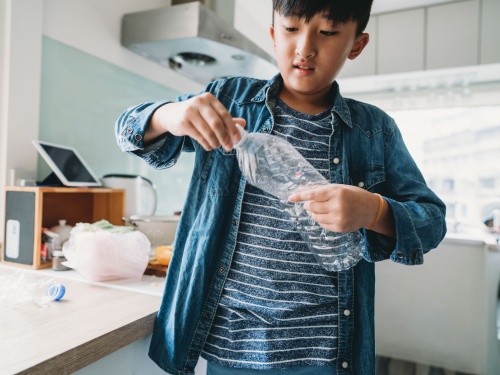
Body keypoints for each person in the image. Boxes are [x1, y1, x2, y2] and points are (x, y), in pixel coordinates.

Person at [115, 0, 447, 374]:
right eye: (291, 29)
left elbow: (431, 220)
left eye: (327, 32)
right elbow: (129, 130)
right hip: (231, 347)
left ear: (356, 44)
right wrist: (168, 115)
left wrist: (374, 211)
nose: (304, 48)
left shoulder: (374, 129)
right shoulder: (228, 99)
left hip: (326, 354)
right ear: (273, 36)